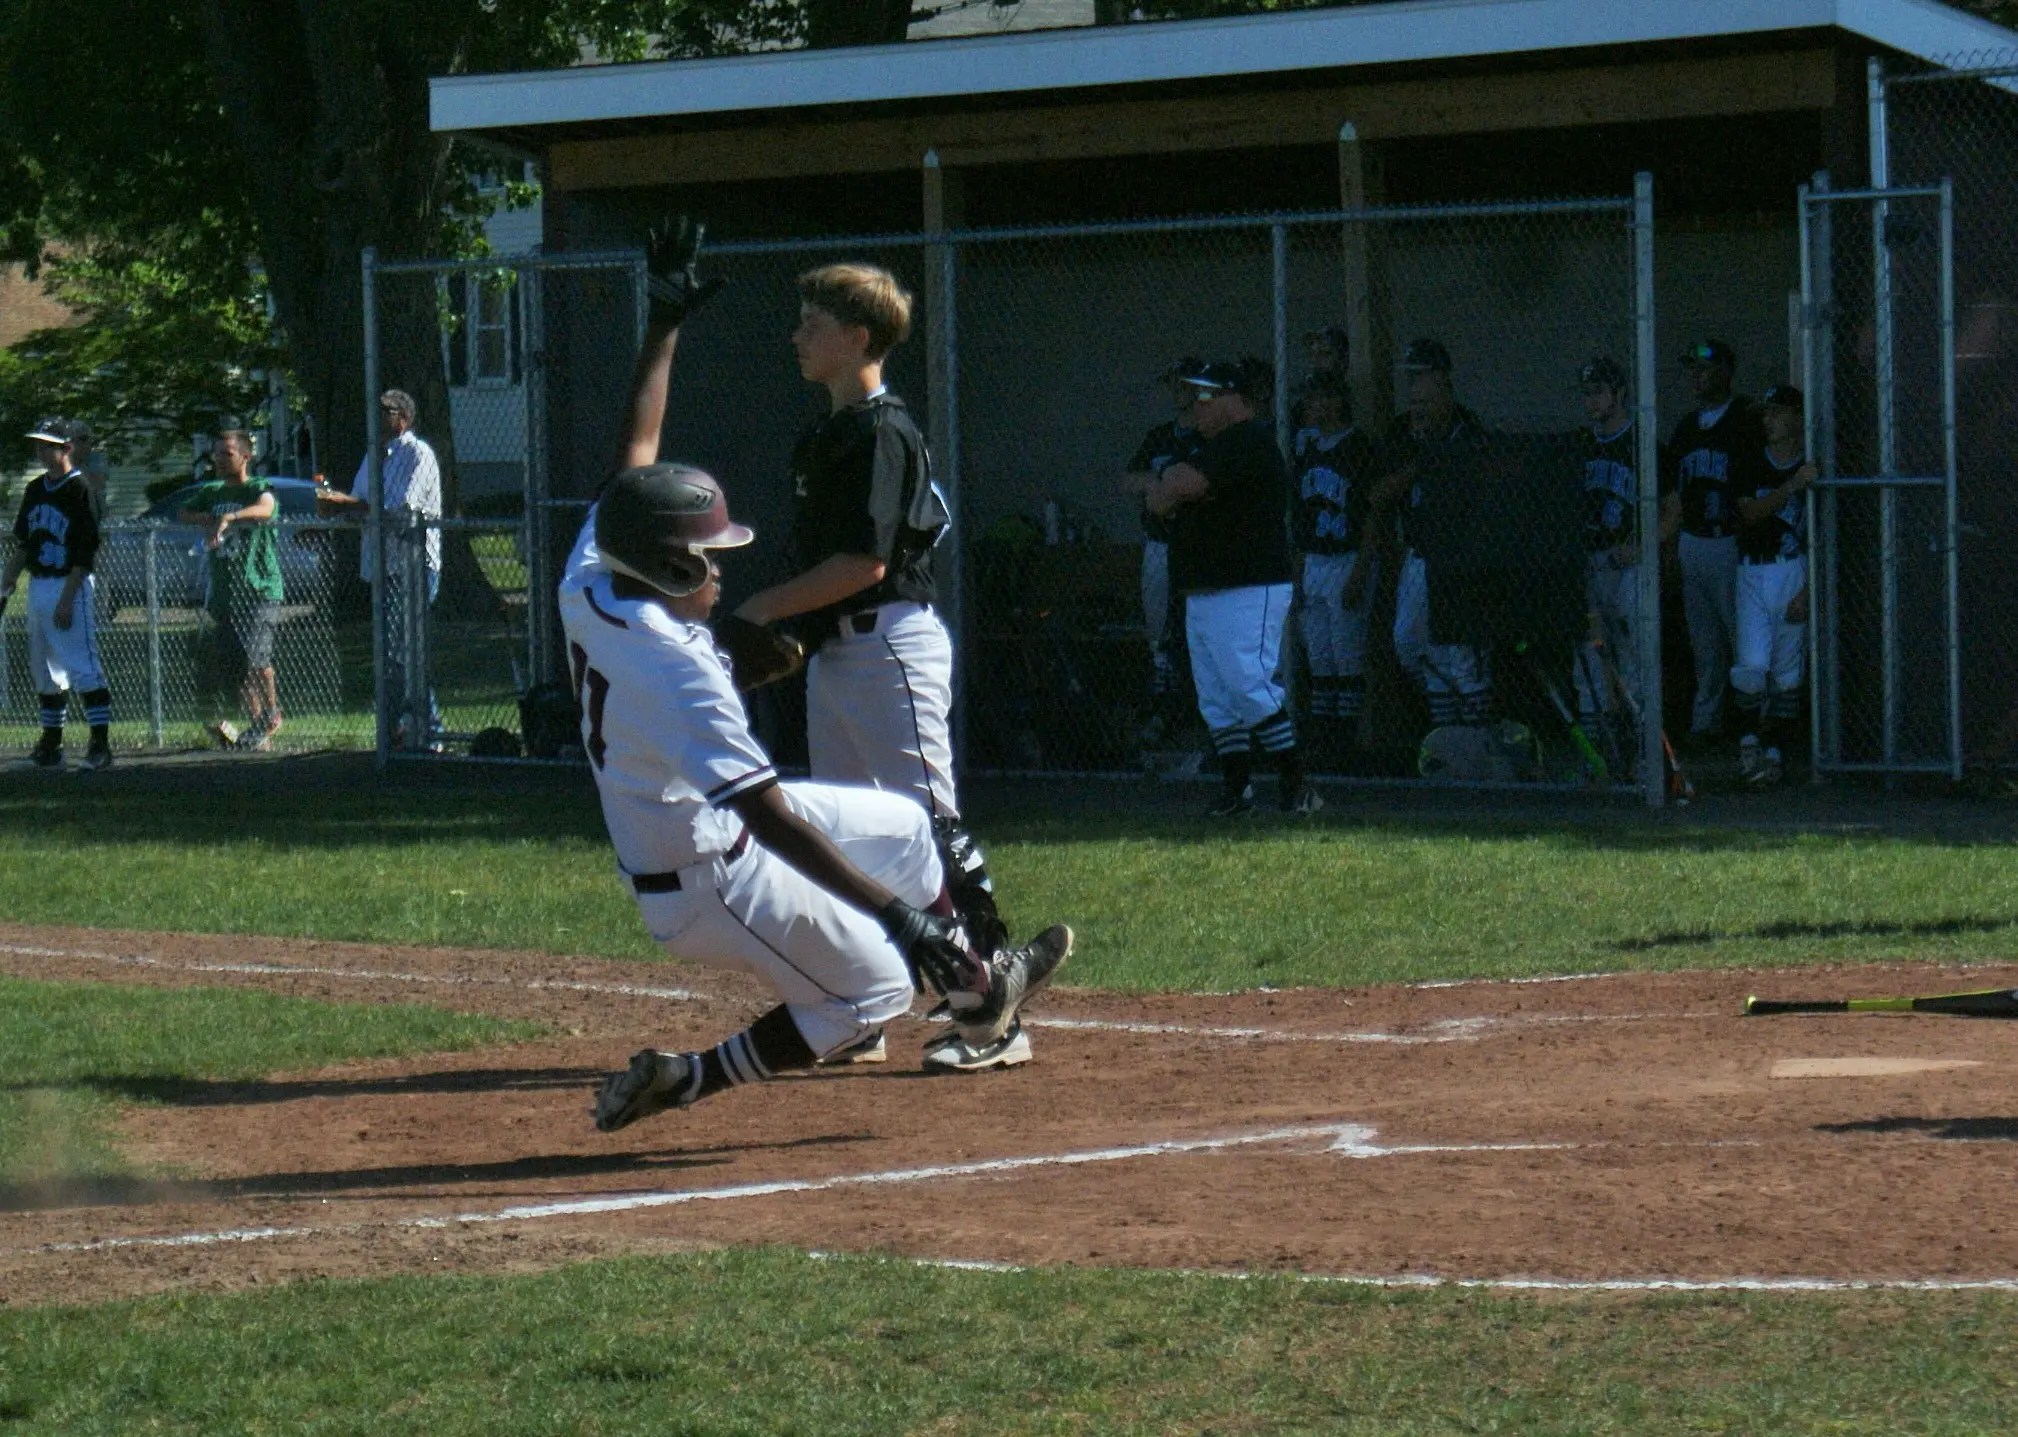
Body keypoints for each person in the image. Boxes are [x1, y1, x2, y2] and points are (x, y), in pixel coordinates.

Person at [564, 227, 1071, 1133]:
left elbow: (632, 454)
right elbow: (768, 815)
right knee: (872, 981)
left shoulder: (592, 574)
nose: (722, 573)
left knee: (919, 825)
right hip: (707, 861)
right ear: (674, 573)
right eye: (710, 558)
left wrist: (665, 324)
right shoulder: (682, 667)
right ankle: (752, 1046)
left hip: (869, 653)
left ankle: (985, 990)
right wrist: (902, 922)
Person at [727, 261, 1020, 1072]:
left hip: (888, 640)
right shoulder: (828, 432)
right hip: (838, 654)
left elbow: (865, 562)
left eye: (814, 324)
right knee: (845, 835)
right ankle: (861, 1003)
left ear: (859, 338)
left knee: (930, 825)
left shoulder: (881, 430)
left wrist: (764, 608)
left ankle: (993, 1007)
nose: (797, 336)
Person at [1143, 357, 1316, 817]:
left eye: (1206, 396)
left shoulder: (1248, 441)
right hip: (1205, 588)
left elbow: (1180, 484)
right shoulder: (1210, 446)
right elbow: (1160, 500)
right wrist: (1172, 486)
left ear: (1233, 400)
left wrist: (1173, 485)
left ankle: (1298, 784)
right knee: (1216, 695)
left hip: (1249, 584)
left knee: (1248, 683)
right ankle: (1237, 790)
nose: (1196, 406)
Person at [1357, 338, 1494, 730]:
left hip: (1460, 553)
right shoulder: (1404, 431)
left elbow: (1481, 493)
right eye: (1410, 378)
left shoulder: (1467, 429)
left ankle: (1474, 741)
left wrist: (1436, 456)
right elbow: (1376, 494)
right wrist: (1421, 460)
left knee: (1462, 655)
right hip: (1417, 554)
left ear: (1442, 380)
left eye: (1421, 378)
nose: (1413, 387)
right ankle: (1447, 736)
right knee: (1410, 646)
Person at [319, 387, 443, 748]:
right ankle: (399, 732)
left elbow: (398, 510)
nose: (377, 417)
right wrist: (334, 507)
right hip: (382, 566)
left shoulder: (418, 454)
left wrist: (348, 504)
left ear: (403, 419)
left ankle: (427, 730)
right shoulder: (374, 456)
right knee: (391, 655)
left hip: (414, 565)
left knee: (407, 653)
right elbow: (361, 502)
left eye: (386, 411)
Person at [1659, 339, 1759, 748]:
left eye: (1705, 368)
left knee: (1742, 639)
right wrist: (1671, 547)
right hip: (1692, 541)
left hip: (1729, 542)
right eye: (1692, 370)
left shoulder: (1744, 419)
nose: (1696, 376)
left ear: (1726, 372)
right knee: (1704, 645)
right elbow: (1675, 496)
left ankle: (1753, 723)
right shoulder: (1685, 427)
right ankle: (1708, 722)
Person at [2, 418, 112, 771]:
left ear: (67, 448)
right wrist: (6, 583)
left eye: (49, 444)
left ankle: (100, 746)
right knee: (44, 670)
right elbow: (24, 543)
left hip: (71, 584)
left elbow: (86, 551)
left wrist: (67, 599)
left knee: (83, 666)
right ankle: (51, 747)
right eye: (38, 444)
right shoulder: (35, 489)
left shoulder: (82, 489)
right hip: (39, 585)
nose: (41, 450)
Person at [1121, 356, 1206, 769]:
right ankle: (1163, 709)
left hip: (1195, 546)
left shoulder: (1208, 435)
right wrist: (1162, 486)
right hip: (1159, 545)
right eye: (1172, 384)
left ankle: (1195, 717)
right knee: (1160, 634)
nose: (1178, 392)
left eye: (1183, 384)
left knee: (1194, 634)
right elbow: (1129, 480)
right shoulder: (1159, 437)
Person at [1729, 384, 1814, 787]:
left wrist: (1807, 590)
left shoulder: (1812, 465)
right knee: (1751, 667)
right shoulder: (1751, 464)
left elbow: (1825, 537)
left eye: (1777, 413)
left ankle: (1775, 754)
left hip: (1793, 568)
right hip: (1754, 570)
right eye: (1767, 414)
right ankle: (1749, 748)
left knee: (1786, 672)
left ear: (1798, 417)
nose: (1770, 421)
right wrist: (1791, 487)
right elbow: (1750, 514)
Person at [1291, 374, 1378, 762]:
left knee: (1347, 657)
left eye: (1321, 396)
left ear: (1338, 401)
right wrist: (1296, 574)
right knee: (1319, 658)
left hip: (1345, 555)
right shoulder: (1308, 449)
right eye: (1310, 398)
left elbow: (1373, 514)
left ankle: (1346, 745)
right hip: (1313, 559)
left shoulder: (1359, 447)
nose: (1313, 405)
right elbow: (1299, 519)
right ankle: (1323, 741)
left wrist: (1361, 568)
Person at [181, 431, 285, 751]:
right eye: (216, 454)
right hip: (226, 590)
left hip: (259, 588)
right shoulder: (211, 492)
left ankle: (271, 713)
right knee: (237, 667)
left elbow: (266, 509)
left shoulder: (257, 488)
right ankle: (257, 729)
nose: (219, 460)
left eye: (227, 453)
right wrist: (211, 518)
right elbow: (184, 513)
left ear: (245, 456)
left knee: (257, 658)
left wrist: (233, 516)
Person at [1572, 357, 1648, 727]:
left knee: (1633, 648)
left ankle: (1641, 739)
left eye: (1599, 393)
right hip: (1591, 561)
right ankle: (1602, 736)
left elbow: (1673, 508)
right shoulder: (1581, 445)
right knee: (1589, 652)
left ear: (1620, 394)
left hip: (1630, 562)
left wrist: (1645, 546)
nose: (1592, 402)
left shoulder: (1641, 442)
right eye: (1587, 394)